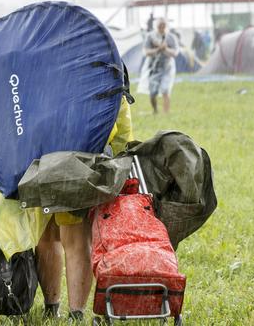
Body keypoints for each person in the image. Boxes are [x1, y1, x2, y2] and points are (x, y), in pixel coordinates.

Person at [36, 96, 134, 321]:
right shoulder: (100, 62)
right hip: (81, 151)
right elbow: (119, 115)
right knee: (65, 238)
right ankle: (70, 313)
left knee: (51, 236)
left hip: (46, 151)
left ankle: (58, 310)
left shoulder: (41, 62)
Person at [143, 18, 179, 114]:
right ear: (156, 26)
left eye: (164, 26)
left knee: (165, 90)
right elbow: (146, 52)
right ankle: (155, 111)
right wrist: (159, 48)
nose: (162, 28)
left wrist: (165, 48)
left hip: (167, 67)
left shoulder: (171, 37)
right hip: (153, 68)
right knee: (153, 92)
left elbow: (175, 53)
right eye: (160, 26)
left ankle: (166, 113)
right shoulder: (150, 37)